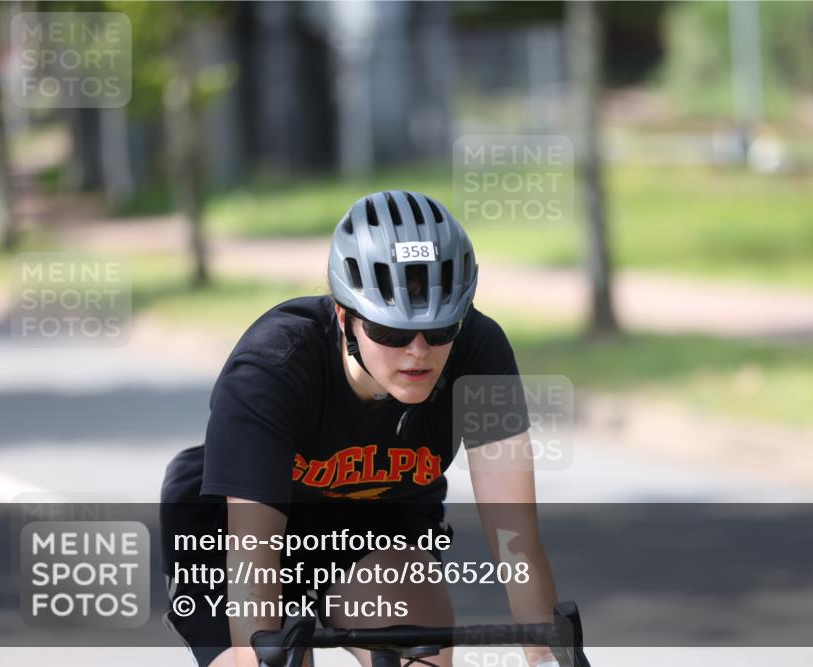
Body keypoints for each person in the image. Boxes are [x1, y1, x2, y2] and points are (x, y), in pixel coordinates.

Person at [161, 191, 560, 667]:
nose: (418, 352)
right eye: (391, 333)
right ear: (345, 317)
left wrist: (547, 657)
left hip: (374, 522)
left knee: (420, 658)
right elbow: (253, 558)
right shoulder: (270, 369)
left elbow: (517, 540)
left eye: (440, 331)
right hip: (238, 528)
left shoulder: (480, 355)